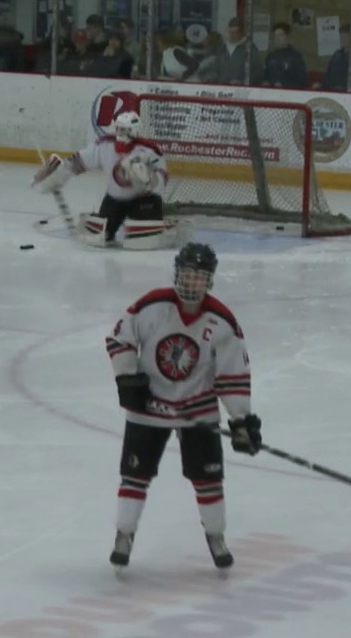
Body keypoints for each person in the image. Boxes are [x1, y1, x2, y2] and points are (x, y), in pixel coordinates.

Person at [103, 242, 262, 570]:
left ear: (210, 281)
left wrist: (241, 419)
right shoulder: (153, 306)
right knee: (134, 476)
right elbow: (120, 338)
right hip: (150, 407)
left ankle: (216, 536)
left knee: (209, 480)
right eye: (187, 276)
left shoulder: (222, 321)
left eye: (199, 278)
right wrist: (126, 378)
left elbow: (232, 373)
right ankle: (124, 534)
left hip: (198, 411)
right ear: (177, 274)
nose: (192, 283)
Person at [30, 112, 176, 249]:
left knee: (142, 241)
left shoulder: (150, 150)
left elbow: (162, 180)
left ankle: (165, 224)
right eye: (118, 129)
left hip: (144, 200)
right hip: (114, 200)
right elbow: (78, 162)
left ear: (135, 130)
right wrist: (56, 176)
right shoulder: (104, 145)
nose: (120, 133)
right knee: (98, 237)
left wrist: (149, 180)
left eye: (125, 130)